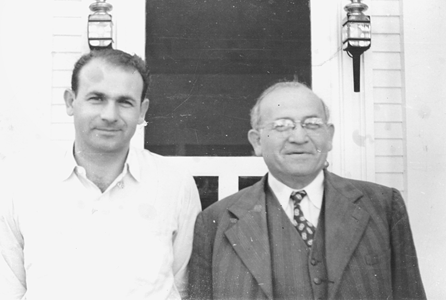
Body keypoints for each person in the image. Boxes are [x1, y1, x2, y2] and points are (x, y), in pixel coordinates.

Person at [188, 81, 426, 300]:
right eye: (282, 126)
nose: (299, 137)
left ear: (329, 136)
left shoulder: (383, 206)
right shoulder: (215, 222)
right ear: (257, 141)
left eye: (312, 124)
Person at [0, 49, 201, 300]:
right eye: (96, 98)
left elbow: (184, 287)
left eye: (125, 102)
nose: (109, 115)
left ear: (142, 111)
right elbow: (8, 288)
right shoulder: (22, 183)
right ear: (70, 102)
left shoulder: (175, 184)